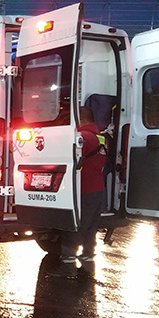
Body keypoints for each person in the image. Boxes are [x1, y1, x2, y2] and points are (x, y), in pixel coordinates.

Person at [48, 106, 107, 279]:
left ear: (81, 119)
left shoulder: (84, 138)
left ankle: (68, 265)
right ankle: (88, 261)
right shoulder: (101, 138)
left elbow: (65, 150)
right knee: (90, 227)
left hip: (83, 190)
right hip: (97, 190)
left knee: (74, 225)